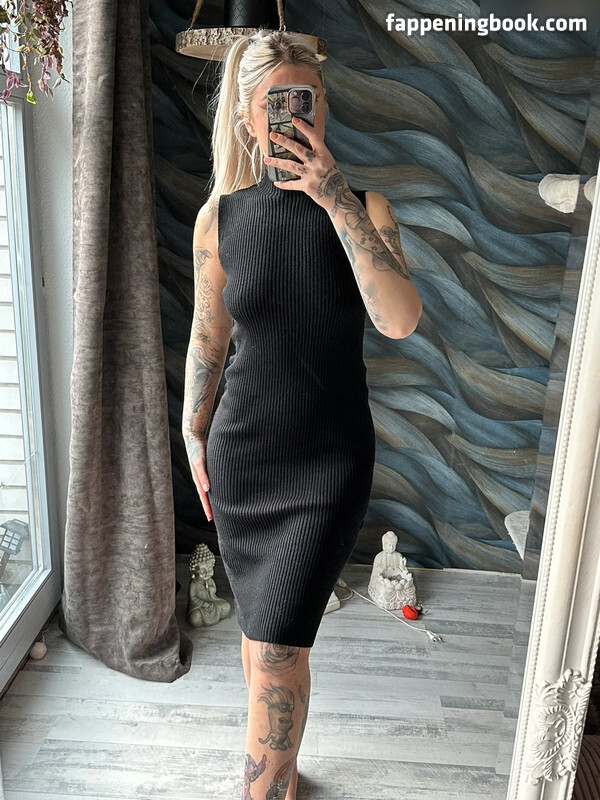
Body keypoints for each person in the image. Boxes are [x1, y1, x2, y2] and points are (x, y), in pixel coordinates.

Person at [182, 28, 422, 800]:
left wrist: (334, 197)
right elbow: (209, 337)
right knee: (265, 648)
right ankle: (283, 779)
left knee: (278, 654)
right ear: (250, 120)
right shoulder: (219, 220)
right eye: (278, 102)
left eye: (308, 99)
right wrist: (192, 430)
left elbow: (399, 319)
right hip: (243, 457)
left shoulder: (365, 208)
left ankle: (262, 789)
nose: (297, 115)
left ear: (323, 106)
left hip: (327, 467)